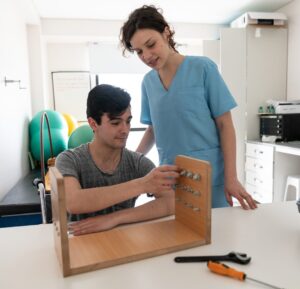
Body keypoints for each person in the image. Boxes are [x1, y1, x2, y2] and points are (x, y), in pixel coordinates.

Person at [120, 5, 257, 210]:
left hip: (211, 177)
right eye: (139, 51)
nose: (147, 56)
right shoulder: (148, 82)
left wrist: (232, 178)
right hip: (171, 178)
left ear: (166, 32)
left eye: (151, 45)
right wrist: (129, 162)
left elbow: (225, 125)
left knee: (219, 236)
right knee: (178, 237)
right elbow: (153, 130)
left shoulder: (203, 68)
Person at [55, 84, 179, 235]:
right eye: (115, 123)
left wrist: (114, 219)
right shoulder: (69, 159)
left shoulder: (138, 163)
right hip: (80, 242)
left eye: (128, 121)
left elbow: (171, 202)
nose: (125, 130)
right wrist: (142, 184)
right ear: (93, 123)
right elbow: (73, 202)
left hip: (122, 241)